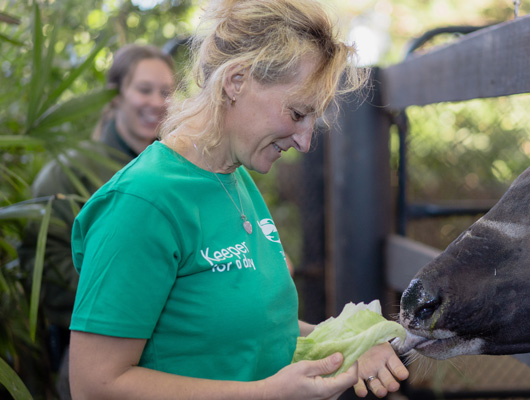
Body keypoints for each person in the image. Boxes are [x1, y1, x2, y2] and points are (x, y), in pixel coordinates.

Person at [68, 0, 409, 399]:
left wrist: (349, 346)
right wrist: (267, 393)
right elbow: (94, 385)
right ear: (236, 81)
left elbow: (255, 328)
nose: (305, 140)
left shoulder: (236, 178)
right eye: (297, 113)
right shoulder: (143, 202)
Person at [18, 43, 175, 398]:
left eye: (166, 92)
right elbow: (41, 267)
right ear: (115, 95)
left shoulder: (177, 170)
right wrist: (135, 291)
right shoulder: (68, 172)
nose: (156, 102)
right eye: (144, 89)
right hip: (93, 350)